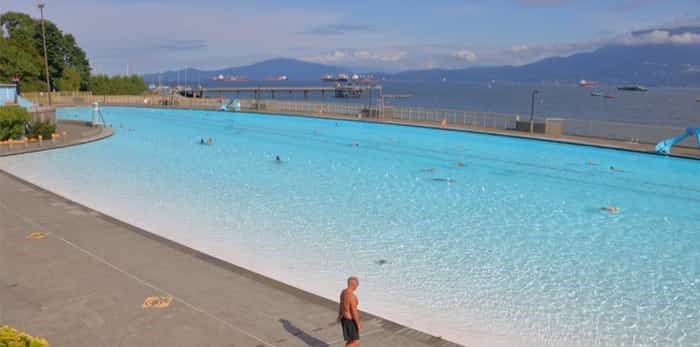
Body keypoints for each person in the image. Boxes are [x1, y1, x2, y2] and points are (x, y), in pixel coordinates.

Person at [338, 276, 361, 347]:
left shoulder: (343, 292)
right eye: (357, 285)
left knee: (350, 340)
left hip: (344, 319)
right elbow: (354, 312)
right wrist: (358, 324)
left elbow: (341, 304)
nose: (357, 287)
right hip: (350, 321)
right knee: (355, 342)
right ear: (354, 284)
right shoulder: (352, 296)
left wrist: (339, 315)